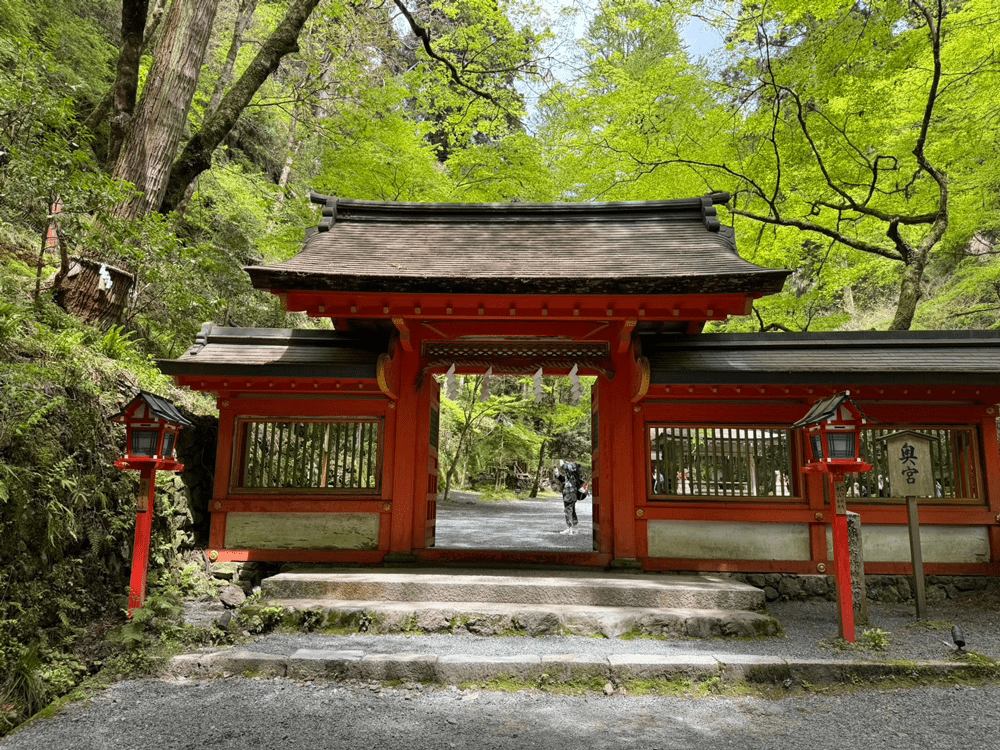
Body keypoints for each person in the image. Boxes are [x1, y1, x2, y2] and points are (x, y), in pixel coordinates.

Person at [555, 460, 584, 535]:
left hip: (570, 493)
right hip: (569, 493)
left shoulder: (575, 467)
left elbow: (567, 467)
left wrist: (562, 464)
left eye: (567, 461)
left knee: (568, 510)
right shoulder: (571, 473)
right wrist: (557, 473)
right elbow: (564, 479)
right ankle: (575, 528)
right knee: (571, 510)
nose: (566, 462)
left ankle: (569, 528)